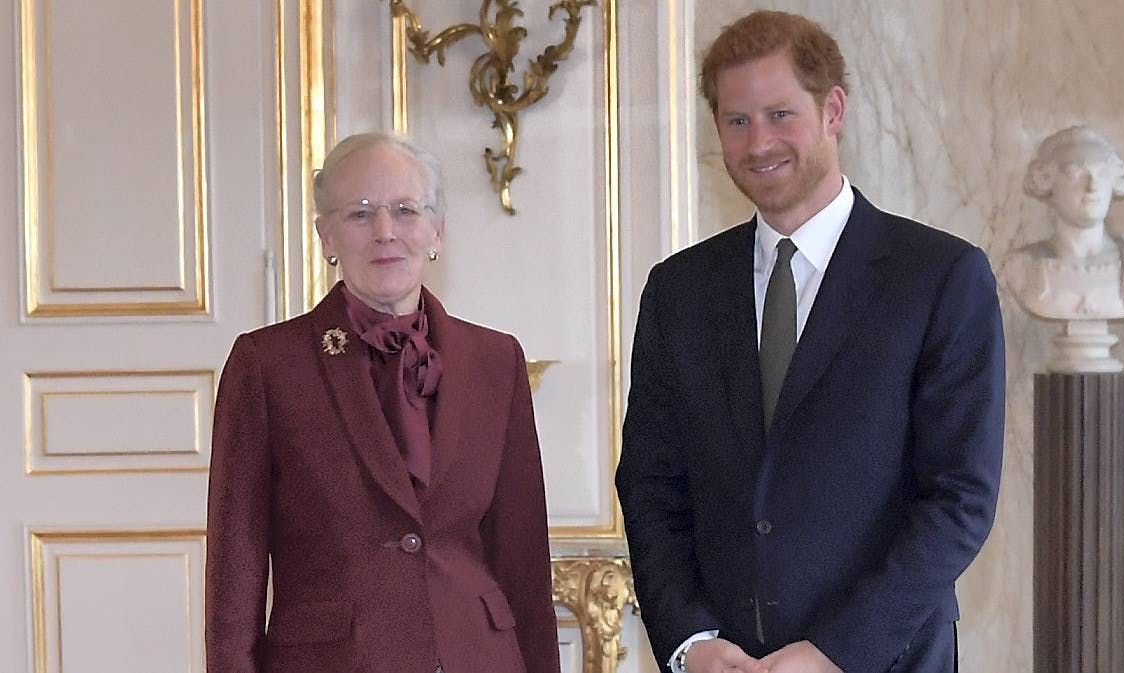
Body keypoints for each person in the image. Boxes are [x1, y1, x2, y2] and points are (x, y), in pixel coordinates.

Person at [615, 11, 1005, 673]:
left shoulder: (939, 277)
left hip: (885, 659)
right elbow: (652, 485)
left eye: (779, 114)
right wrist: (690, 642)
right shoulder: (676, 290)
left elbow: (958, 498)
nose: (758, 141)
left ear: (833, 110)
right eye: (736, 120)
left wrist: (835, 651)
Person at [205, 132, 560, 673]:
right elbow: (236, 565)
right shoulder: (267, 364)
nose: (385, 232)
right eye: (360, 214)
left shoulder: (496, 360)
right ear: (326, 236)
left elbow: (522, 556)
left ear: (437, 229)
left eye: (405, 210)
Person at [1007, 125, 1124, 320]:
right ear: (1047, 181)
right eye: (1075, 174)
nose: (1092, 186)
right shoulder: (1023, 267)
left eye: (1102, 172)